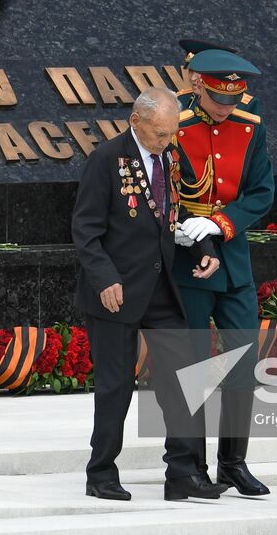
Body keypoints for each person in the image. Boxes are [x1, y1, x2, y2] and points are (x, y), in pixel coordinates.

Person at [72, 88, 225, 502]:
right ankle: (101, 472)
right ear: (135, 121)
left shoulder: (171, 158)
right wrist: (104, 279)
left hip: (160, 288)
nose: (166, 141)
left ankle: (182, 474)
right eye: (159, 133)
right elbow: (85, 229)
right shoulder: (106, 159)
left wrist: (205, 249)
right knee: (115, 386)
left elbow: (184, 212)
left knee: (184, 380)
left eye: (171, 133)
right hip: (115, 292)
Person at [172, 49, 273, 496]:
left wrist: (221, 222)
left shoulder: (251, 128)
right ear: (199, 87)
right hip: (188, 262)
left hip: (233, 262)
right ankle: (191, 465)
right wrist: (186, 226)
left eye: (232, 99)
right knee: (192, 366)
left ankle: (233, 461)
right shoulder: (176, 128)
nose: (226, 107)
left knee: (243, 363)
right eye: (217, 98)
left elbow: (262, 192)